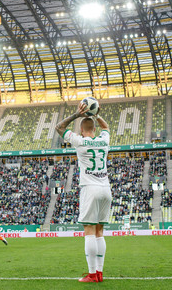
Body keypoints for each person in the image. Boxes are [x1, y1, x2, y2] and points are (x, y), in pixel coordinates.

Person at [55, 101, 111, 283]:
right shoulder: (104, 139)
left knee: (89, 230)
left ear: (80, 130)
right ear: (94, 129)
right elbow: (106, 126)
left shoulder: (79, 141)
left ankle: (92, 274)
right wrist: (95, 115)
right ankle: (100, 273)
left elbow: (59, 127)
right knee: (99, 231)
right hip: (106, 189)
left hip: (90, 189)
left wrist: (77, 115)